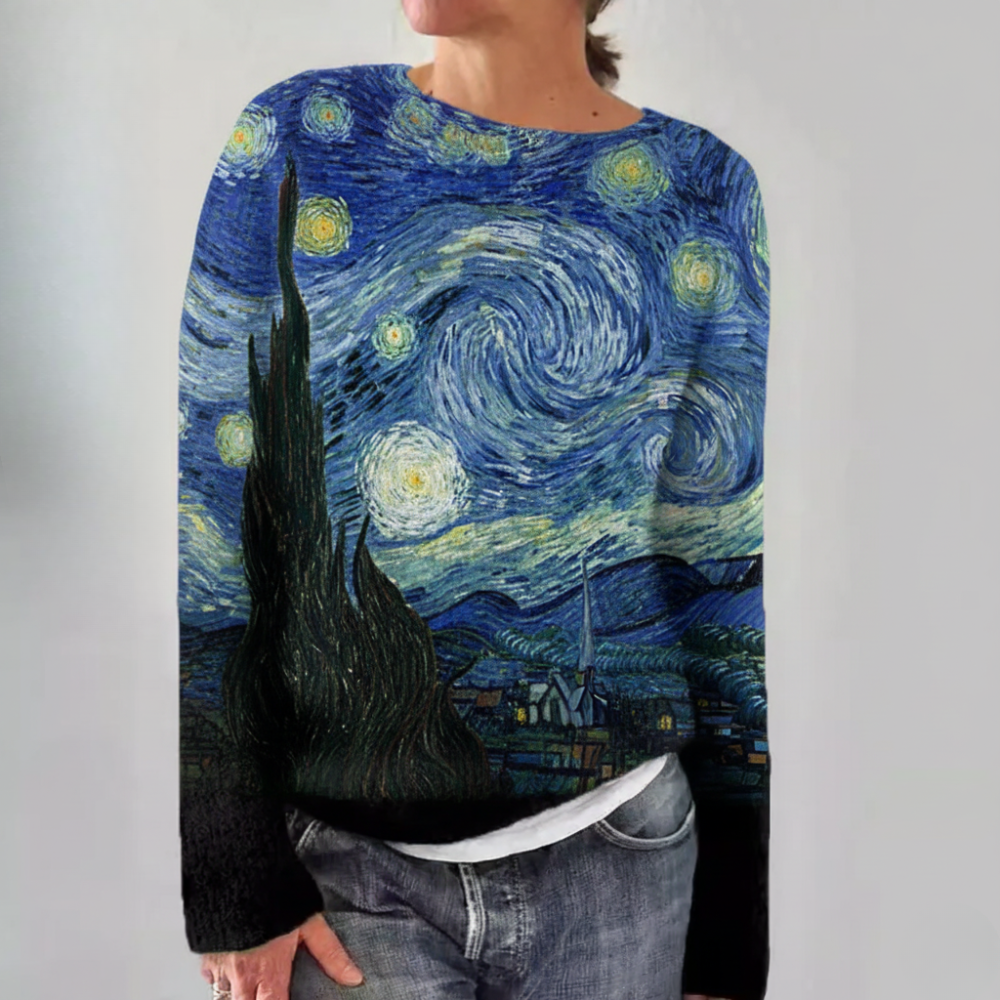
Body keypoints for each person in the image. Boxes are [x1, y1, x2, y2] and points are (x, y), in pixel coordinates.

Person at [177, 2, 770, 999]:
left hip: (625, 865)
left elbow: (716, 563)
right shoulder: (295, 137)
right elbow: (213, 522)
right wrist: (233, 873)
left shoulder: (704, 186)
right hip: (345, 876)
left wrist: (728, 933)